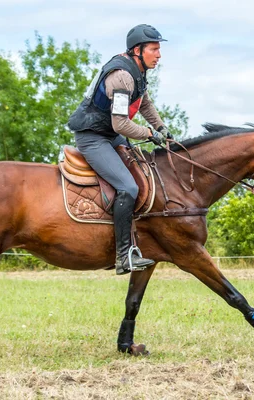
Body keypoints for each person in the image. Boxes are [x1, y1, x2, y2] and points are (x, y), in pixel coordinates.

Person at [67, 24, 172, 275]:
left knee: (146, 173)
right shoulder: (122, 75)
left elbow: (144, 102)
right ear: (138, 50)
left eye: (159, 49)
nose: (159, 55)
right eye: (154, 49)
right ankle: (123, 256)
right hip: (94, 137)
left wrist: (162, 127)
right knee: (129, 187)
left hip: (110, 135)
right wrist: (150, 134)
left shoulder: (138, 72)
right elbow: (121, 123)